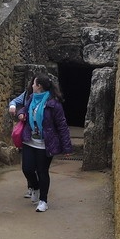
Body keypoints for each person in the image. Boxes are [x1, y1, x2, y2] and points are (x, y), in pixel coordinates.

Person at [16, 74, 74, 212]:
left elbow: (62, 126)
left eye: (34, 83)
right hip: (30, 140)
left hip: (45, 144)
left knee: (42, 171)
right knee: (27, 169)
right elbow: (25, 108)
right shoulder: (31, 98)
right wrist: (21, 113)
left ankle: (43, 201)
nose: (32, 85)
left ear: (39, 86)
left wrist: (67, 147)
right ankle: (35, 187)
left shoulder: (54, 104)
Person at [8, 77, 36, 198]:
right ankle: (31, 187)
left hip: (40, 136)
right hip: (27, 133)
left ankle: (37, 188)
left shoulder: (48, 98)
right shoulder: (26, 94)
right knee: (28, 165)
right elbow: (15, 101)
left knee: (37, 165)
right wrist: (13, 107)